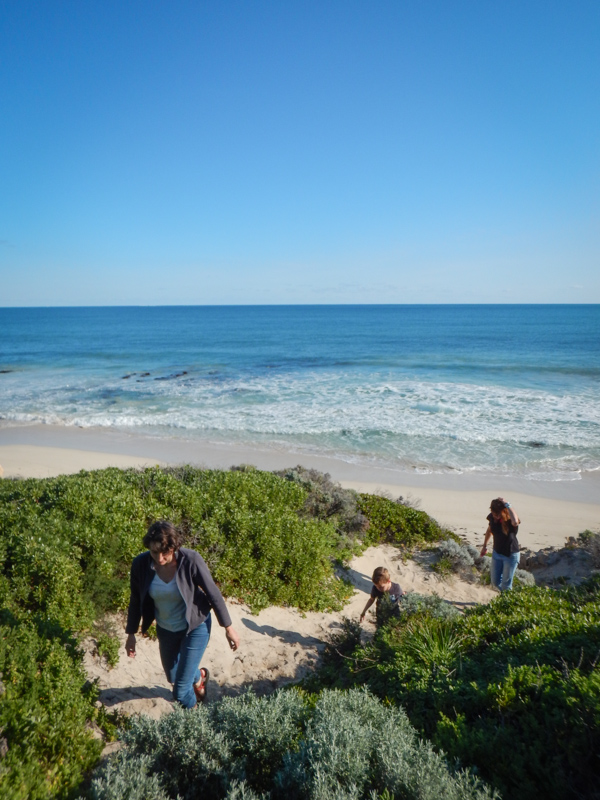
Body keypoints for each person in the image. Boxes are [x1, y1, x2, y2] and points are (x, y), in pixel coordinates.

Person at [125, 520, 240, 709]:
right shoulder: (140, 564)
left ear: (174, 547)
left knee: (180, 690)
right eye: (154, 552)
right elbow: (136, 599)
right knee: (173, 675)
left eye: (165, 552)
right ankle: (199, 676)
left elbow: (213, 593)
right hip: (166, 628)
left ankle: (196, 719)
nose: (159, 558)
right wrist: (131, 634)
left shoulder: (190, 560)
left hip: (195, 626)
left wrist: (228, 627)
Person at [480, 497, 522, 592]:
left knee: (506, 585)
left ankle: (506, 599)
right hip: (497, 554)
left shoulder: (509, 520)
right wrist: (484, 546)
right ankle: (503, 597)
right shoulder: (492, 518)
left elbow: (515, 522)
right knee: (494, 582)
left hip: (511, 555)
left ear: (503, 511)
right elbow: (489, 530)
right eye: (494, 514)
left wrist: (507, 504)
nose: (496, 516)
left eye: (498, 514)